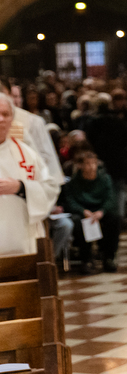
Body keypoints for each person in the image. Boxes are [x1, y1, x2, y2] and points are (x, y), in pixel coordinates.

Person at [0, 93, 58, 256]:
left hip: (21, 243)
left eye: (5, 114)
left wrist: (21, 187)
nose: (1, 119)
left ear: (12, 118)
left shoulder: (28, 155)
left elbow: (50, 189)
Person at [62, 149, 120, 273]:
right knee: (76, 222)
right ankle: (86, 259)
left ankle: (109, 257)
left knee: (114, 218)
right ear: (81, 166)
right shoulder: (74, 182)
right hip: (84, 212)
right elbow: (71, 201)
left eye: (93, 163)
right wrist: (83, 211)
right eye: (88, 163)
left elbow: (110, 198)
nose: (91, 166)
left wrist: (101, 212)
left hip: (100, 210)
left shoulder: (105, 179)